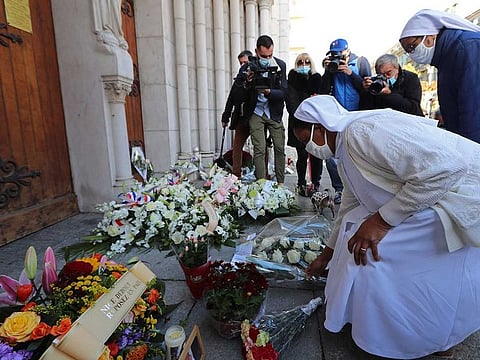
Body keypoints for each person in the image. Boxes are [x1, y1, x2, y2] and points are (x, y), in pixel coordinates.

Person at [292, 95, 480, 359]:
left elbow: (447, 169)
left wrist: (380, 222)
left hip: (457, 195)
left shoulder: (360, 133)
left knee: (373, 250)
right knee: (354, 233)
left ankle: (430, 336)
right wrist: (326, 256)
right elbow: (350, 203)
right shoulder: (344, 150)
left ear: (320, 127)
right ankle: (373, 324)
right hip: (430, 195)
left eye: (305, 140)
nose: (309, 148)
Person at [399, 9, 480, 143]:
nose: (411, 54)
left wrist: (469, 155)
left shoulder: (467, 48)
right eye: (408, 51)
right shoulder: (445, 58)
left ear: (430, 36)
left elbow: (474, 111)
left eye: (412, 46)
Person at [320, 38, 371, 204]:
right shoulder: (332, 68)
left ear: (347, 52)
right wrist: (329, 71)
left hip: (358, 115)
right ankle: (340, 189)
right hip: (338, 117)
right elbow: (323, 90)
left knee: (359, 156)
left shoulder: (361, 63)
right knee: (331, 156)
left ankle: (359, 190)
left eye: (339, 54)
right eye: (334, 55)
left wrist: (350, 73)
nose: (337, 58)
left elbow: (368, 91)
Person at [233, 35, 288, 183]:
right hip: (256, 112)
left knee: (279, 148)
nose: (267, 58)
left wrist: (269, 92)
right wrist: (247, 82)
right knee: (259, 149)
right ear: (256, 51)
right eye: (264, 56)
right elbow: (237, 93)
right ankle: (261, 185)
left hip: (273, 112)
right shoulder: (247, 67)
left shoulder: (280, 65)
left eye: (270, 55)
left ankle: (280, 184)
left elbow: (284, 92)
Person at [286, 53, 322, 197]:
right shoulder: (293, 80)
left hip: (314, 123)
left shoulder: (316, 79)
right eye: (300, 62)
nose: (304, 64)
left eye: (307, 61)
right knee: (302, 155)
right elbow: (291, 101)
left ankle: (315, 182)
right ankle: (301, 182)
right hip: (299, 123)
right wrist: (301, 115)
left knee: (316, 155)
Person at [221, 50, 253, 177]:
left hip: (255, 118)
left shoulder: (257, 78)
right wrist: (225, 117)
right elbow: (231, 99)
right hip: (240, 118)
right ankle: (236, 176)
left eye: (245, 62)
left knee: (260, 148)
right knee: (237, 146)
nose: (243, 66)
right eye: (241, 63)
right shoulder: (238, 80)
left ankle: (263, 175)